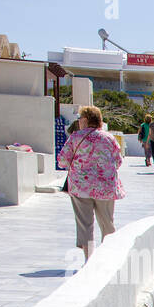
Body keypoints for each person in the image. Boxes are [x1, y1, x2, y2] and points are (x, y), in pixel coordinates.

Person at [57, 105, 124, 260]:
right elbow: (118, 161)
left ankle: (89, 259)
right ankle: (108, 258)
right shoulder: (109, 138)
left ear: (86, 120)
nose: (79, 121)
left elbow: (62, 160)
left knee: (85, 224)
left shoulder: (75, 137)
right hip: (105, 187)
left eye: (80, 118)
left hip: (81, 187)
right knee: (107, 223)